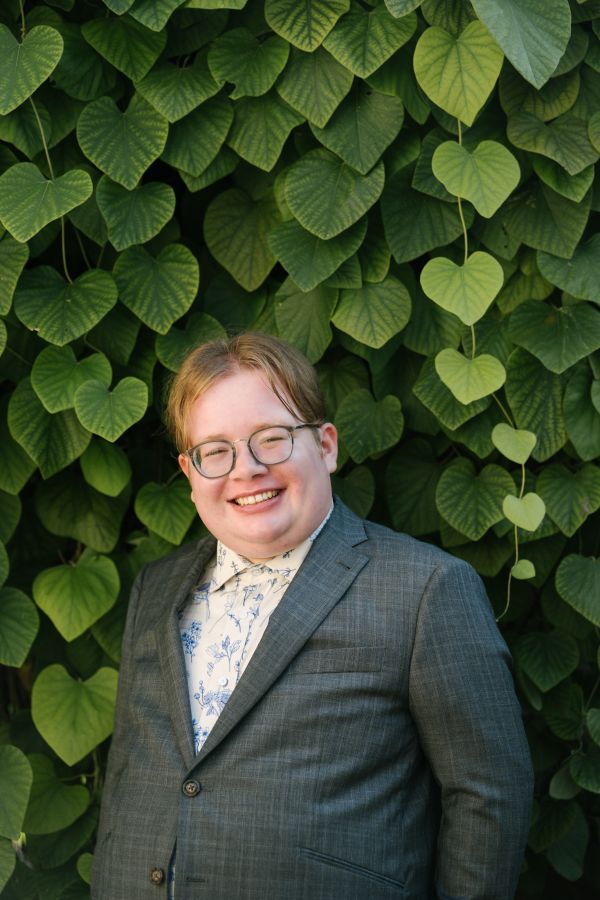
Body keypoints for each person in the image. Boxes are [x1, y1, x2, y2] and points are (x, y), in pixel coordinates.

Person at [91, 332, 533, 900]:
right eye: (215, 451)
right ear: (189, 471)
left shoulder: (425, 590)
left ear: (325, 446)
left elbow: (489, 796)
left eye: (271, 439)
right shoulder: (156, 589)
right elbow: (130, 775)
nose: (246, 469)